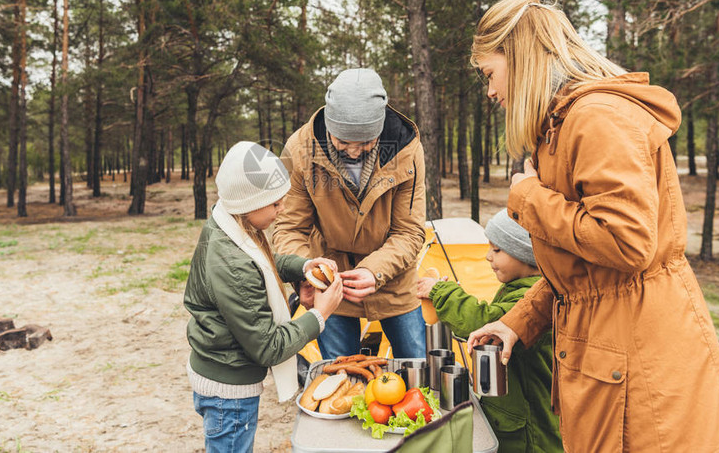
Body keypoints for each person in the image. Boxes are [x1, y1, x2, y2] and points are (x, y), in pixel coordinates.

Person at [465, 0, 719, 452]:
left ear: (522, 56)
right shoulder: (561, 126)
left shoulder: (597, 116)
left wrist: (529, 197)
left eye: (490, 73)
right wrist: (519, 322)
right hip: (614, 356)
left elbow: (627, 243)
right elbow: (583, 271)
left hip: (644, 366)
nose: (490, 92)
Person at [184, 141, 343, 453]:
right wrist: (319, 316)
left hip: (223, 376)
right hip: (228, 394)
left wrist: (303, 267)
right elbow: (269, 347)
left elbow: (266, 263)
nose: (281, 209)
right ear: (248, 203)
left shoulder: (230, 226)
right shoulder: (231, 263)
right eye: (275, 204)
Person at [273, 68, 427, 359]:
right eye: (343, 142)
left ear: (380, 130)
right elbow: (290, 228)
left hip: (393, 278)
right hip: (332, 280)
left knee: (415, 366)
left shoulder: (407, 151)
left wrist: (375, 270)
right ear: (330, 127)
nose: (354, 152)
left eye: (366, 143)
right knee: (339, 372)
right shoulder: (299, 150)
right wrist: (305, 271)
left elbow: (409, 231)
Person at [417, 208, 561, 453]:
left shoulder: (531, 299)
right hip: (514, 418)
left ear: (526, 254)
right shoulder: (518, 289)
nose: (487, 257)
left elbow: (484, 321)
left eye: (497, 250)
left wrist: (440, 293)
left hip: (528, 433)